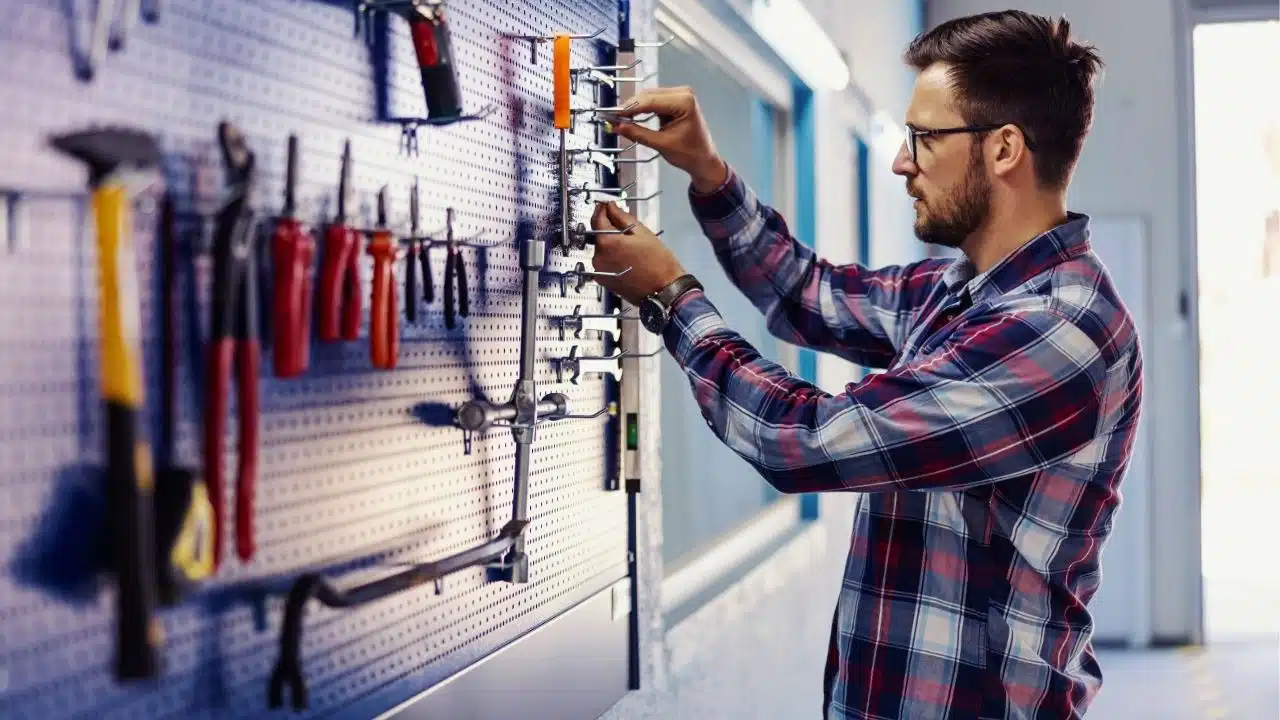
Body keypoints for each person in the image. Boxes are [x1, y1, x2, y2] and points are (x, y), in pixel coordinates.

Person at [587, 9, 1143, 720]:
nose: (901, 160)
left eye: (924, 137)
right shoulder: (960, 294)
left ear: (1004, 149)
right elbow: (806, 292)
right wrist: (708, 172)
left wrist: (671, 296)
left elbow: (802, 441)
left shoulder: (1058, 333)